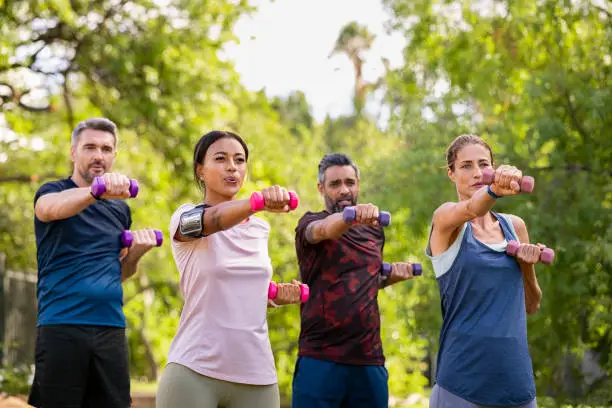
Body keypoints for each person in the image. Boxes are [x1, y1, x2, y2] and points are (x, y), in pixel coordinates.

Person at [156, 130, 304, 408]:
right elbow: (215, 220)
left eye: (239, 160)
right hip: (194, 371)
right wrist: (256, 203)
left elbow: (238, 285)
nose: (232, 167)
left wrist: (273, 295)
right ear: (200, 170)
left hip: (257, 374)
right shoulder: (186, 218)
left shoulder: (260, 228)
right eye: (221, 159)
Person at [28, 117, 160, 408]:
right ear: (73, 152)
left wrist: (137, 252)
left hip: (110, 328)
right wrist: (94, 191)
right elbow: (49, 209)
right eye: (90, 147)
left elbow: (121, 272)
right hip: (62, 324)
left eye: (106, 148)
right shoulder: (52, 192)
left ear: (114, 155)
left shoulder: (120, 209)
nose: (98, 155)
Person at [425, 134, 544, 408]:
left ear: (493, 167)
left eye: (483, 164)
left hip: (517, 385)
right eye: (466, 166)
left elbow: (532, 304)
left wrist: (526, 267)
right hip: (462, 385)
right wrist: (494, 191)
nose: (477, 173)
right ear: (451, 174)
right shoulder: (445, 221)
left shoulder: (516, 227)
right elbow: (470, 207)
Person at [291, 153, 418, 408]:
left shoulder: (374, 230)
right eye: (335, 184)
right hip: (320, 358)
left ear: (358, 184)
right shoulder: (310, 223)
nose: (344, 190)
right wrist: (351, 215)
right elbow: (325, 230)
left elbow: (364, 280)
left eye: (349, 182)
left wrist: (390, 276)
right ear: (321, 189)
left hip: (368, 360)